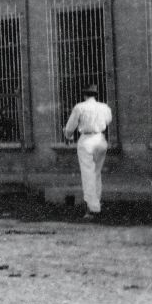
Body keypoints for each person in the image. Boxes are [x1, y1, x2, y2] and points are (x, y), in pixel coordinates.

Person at [64, 84, 113, 220]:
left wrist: (68, 136)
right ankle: (96, 202)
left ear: (84, 95)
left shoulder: (80, 107)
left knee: (88, 174)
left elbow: (70, 127)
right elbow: (108, 120)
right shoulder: (104, 107)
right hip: (100, 138)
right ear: (95, 95)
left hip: (86, 140)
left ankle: (93, 208)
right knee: (96, 173)